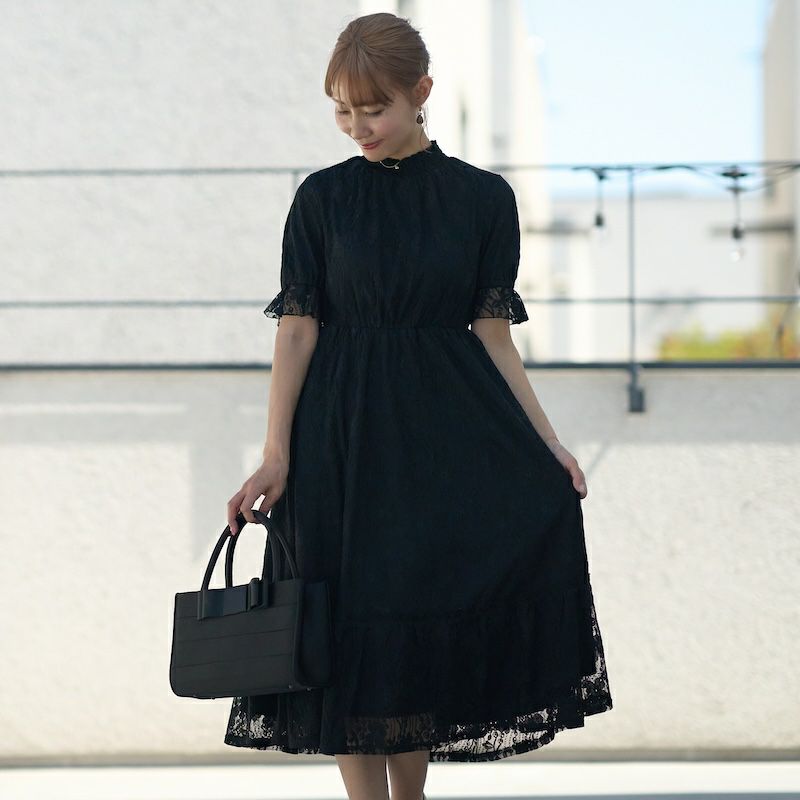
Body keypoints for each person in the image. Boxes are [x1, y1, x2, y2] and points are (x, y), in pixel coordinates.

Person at [222, 10, 613, 800]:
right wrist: (275, 453)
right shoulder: (322, 199)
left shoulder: (483, 199)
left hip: (443, 436)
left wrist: (547, 444)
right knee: (342, 625)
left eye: (375, 108)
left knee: (416, 621)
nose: (357, 126)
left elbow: (494, 337)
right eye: (342, 110)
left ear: (422, 92)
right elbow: (297, 329)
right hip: (337, 439)